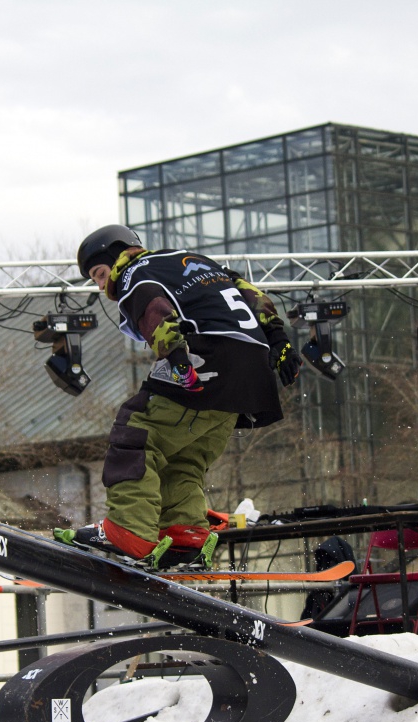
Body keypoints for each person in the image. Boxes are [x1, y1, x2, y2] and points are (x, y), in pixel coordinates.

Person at [55, 225, 302, 568]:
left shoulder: (134, 272)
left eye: (99, 273)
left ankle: (128, 531)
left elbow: (152, 307)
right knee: (183, 455)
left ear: (115, 255)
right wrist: (279, 339)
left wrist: (175, 357)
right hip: (253, 372)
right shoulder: (194, 261)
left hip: (207, 359)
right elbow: (250, 293)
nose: (100, 285)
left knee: (137, 432)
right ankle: (185, 534)